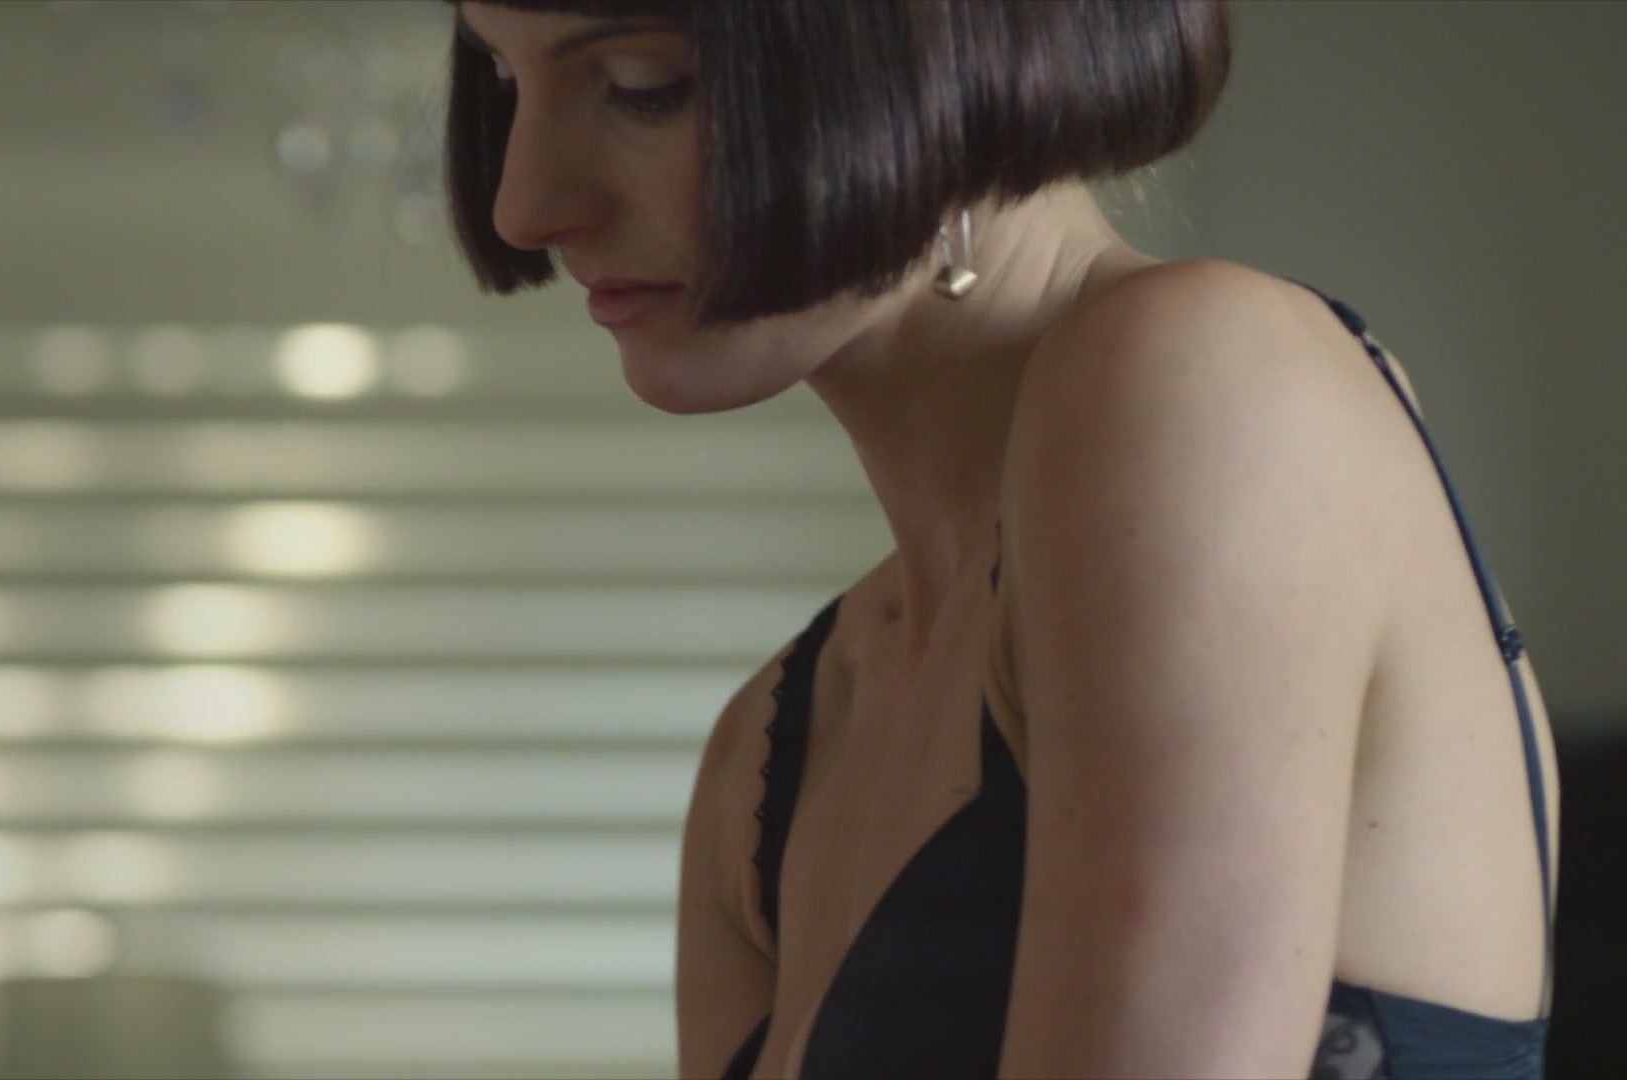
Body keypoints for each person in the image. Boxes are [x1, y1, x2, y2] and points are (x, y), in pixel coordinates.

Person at [442, 2, 1560, 1076]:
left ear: (937, 58)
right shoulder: (763, 758)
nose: (522, 205)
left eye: (646, 86)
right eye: (502, 77)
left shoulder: (1204, 375)